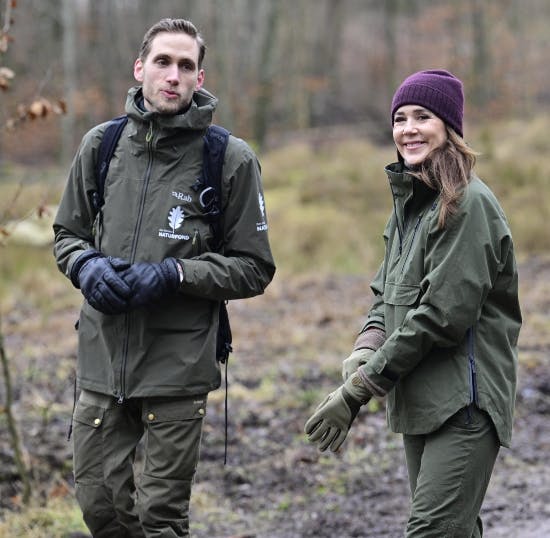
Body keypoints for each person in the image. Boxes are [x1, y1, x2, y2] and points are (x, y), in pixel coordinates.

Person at [53, 18, 275, 538]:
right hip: (102, 362)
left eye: (185, 65)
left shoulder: (229, 158)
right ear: (140, 69)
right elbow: (67, 235)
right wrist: (87, 267)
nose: (172, 75)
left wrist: (176, 274)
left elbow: (255, 267)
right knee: (102, 512)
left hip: (177, 368)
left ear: (200, 78)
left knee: (159, 520)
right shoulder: (102, 145)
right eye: (162, 62)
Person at [304, 69, 521, 537]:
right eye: (400, 118)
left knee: (431, 532)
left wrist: (359, 388)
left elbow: (441, 317)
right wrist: (367, 344)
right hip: (420, 400)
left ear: (449, 127)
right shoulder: (411, 206)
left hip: (466, 404)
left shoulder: (468, 205)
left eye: (423, 116)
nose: (408, 129)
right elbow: (386, 294)